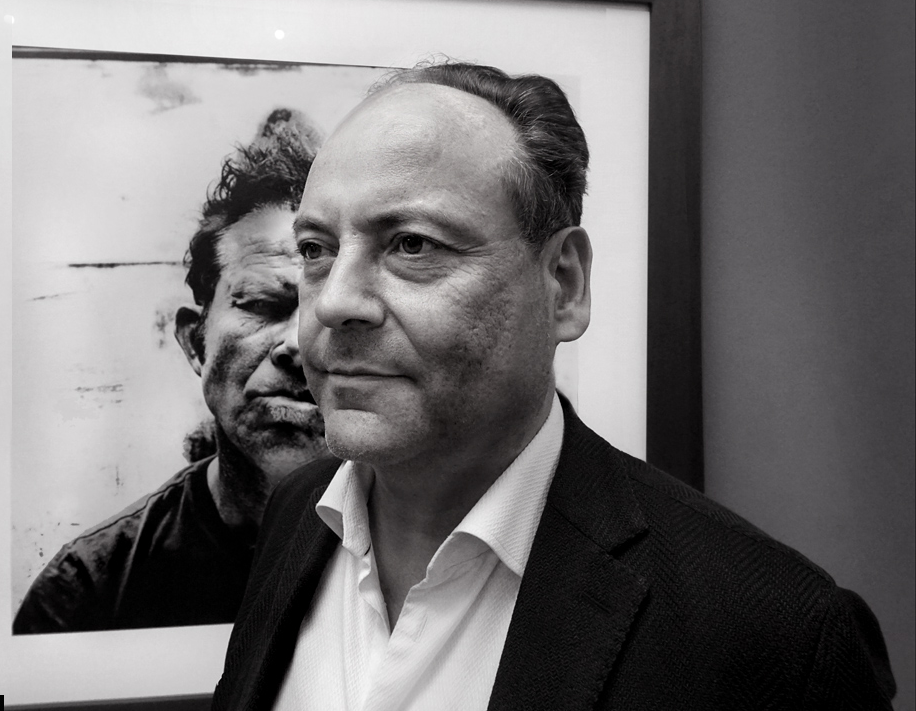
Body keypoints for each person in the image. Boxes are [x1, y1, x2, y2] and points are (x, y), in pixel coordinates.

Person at [212, 64, 896, 709]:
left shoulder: (776, 639)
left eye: (412, 244)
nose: (334, 302)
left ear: (563, 283)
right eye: (316, 250)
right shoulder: (298, 513)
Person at [13, 109, 330, 634]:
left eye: (326, 315)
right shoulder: (88, 594)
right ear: (195, 341)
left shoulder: (436, 549)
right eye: (260, 304)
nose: (296, 345)